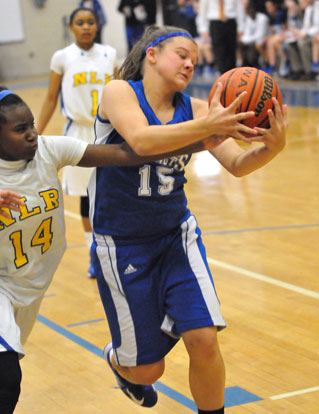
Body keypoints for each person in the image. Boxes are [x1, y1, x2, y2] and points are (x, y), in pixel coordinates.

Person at [87, 25, 287, 413]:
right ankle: (119, 358)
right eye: (182, 53)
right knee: (146, 371)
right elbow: (143, 140)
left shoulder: (197, 109)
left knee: (204, 339)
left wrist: (272, 148)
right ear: (152, 54)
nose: (191, 62)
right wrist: (210, 127)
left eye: (194, 57)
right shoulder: (119, 93)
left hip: (177, 237)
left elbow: (238, 164)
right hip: (122, 243)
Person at [0, 84, 220, 414]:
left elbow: (124, 155)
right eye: (21, 129)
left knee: (7, 374)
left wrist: (203, 141)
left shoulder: (48, 149)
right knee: (5, 376)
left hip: (29, 286)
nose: (32, 134)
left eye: (31, 125)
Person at [37, 7, 118, 278]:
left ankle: (114, 250)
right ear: (71, 27)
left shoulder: (110, 54)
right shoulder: (62, 57)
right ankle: (93, 252)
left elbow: (120, 93)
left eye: (90, 22)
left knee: (111, 194)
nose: (86, 27)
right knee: (86, 197)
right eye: (80, 23)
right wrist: (37, 132)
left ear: (97, 25)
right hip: (78, 133)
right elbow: (50, 98)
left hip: (107, 132)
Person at [196, 0, 244, 75]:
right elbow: (202, 10)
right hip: (215, 22)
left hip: (231, 21)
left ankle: (233, 74)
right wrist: (203, 28)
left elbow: (239, 8)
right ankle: (222, 74)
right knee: (219, 50)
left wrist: (241, 27)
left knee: (232, 49)